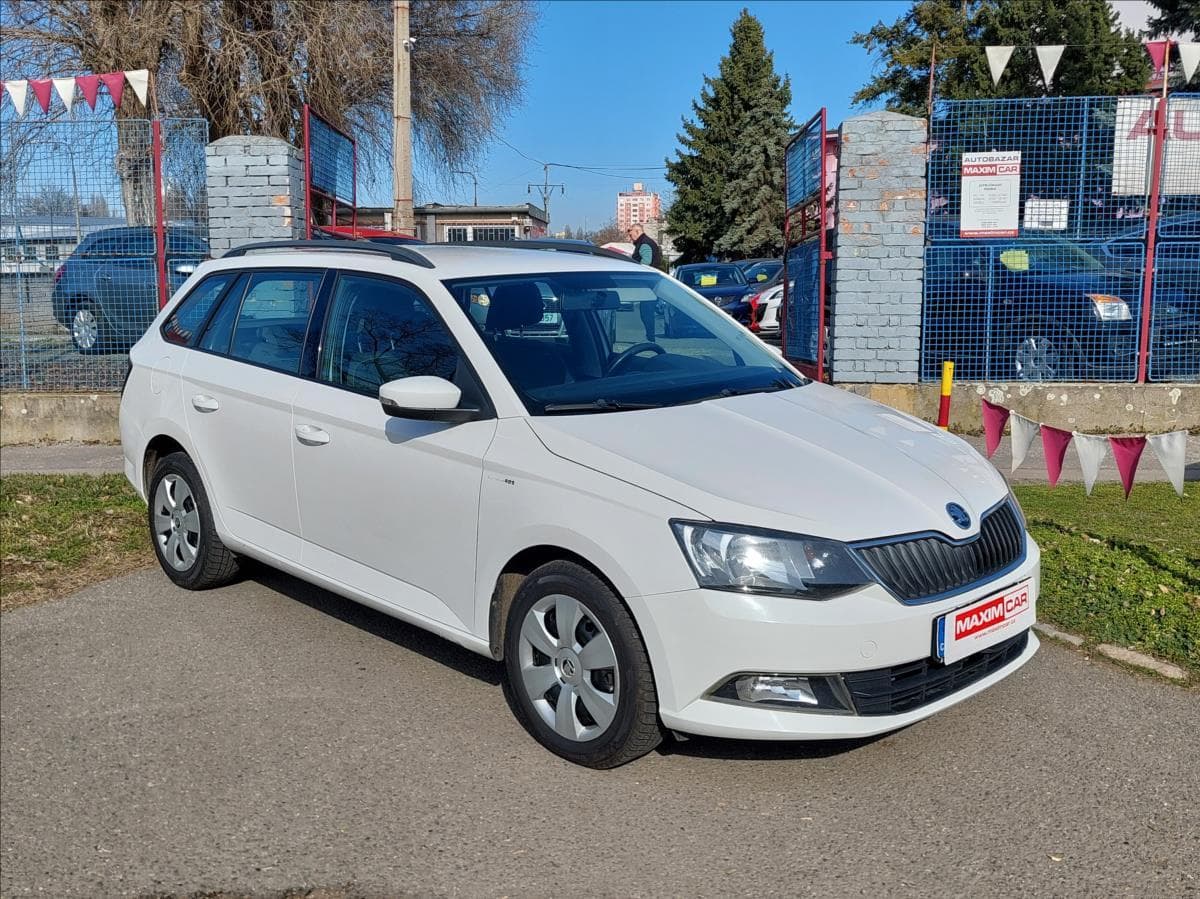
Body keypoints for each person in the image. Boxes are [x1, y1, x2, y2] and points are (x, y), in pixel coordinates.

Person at [627, 224, 664, 341]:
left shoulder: (644, 244)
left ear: (638, 232)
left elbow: (645, 263)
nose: (630, 238)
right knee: (646, 311)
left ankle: (650, 337)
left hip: (648, 284)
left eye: (631, 235)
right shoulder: (645, 242)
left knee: (646, 312)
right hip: (650, 283)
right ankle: (650, 336)